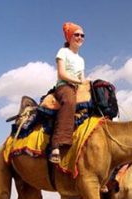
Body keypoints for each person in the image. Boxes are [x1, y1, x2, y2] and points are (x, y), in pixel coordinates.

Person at [49, 22, 86, 163]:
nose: (80, 37)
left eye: (82, 35)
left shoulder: (81, 60)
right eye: (76, 34)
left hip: (77, 87)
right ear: (70, 37)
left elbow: (82, 78)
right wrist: (79, 82)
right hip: (64, 86)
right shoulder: (63, 52)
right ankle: (56, 145)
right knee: (69, 101)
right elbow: (62, 74)